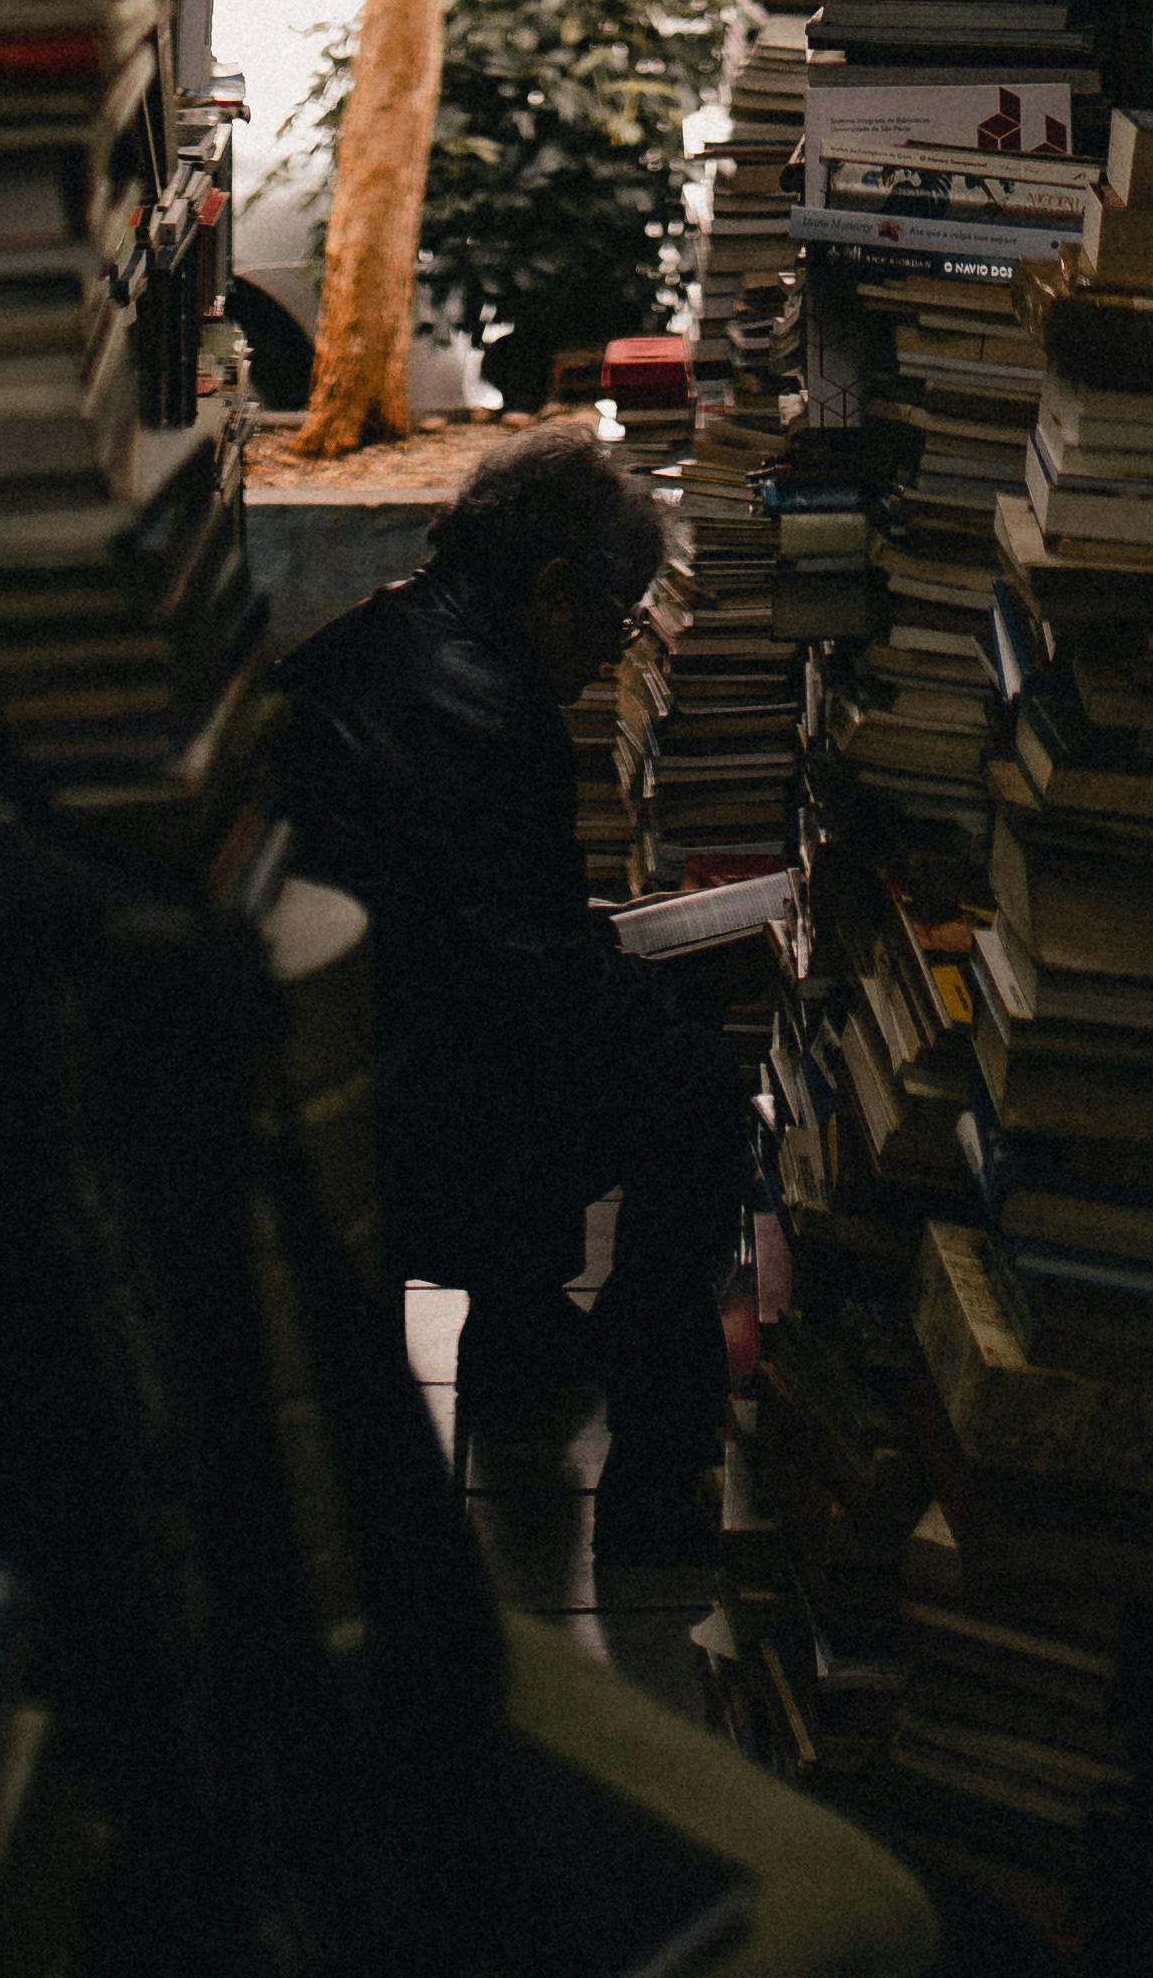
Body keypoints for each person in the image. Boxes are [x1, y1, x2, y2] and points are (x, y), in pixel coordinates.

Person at [271, 430, 749, 1565]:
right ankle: (654, 1467)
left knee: (550, 1019)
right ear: (547, 591)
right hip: (426, 1128)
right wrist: (666, 989)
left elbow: (477, 931)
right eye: (613, 622)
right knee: (690, 1083)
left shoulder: (355, 647)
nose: (610, 655)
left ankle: (525, 1334)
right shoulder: (494, 710)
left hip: (333, 1080)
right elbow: (527, 982)